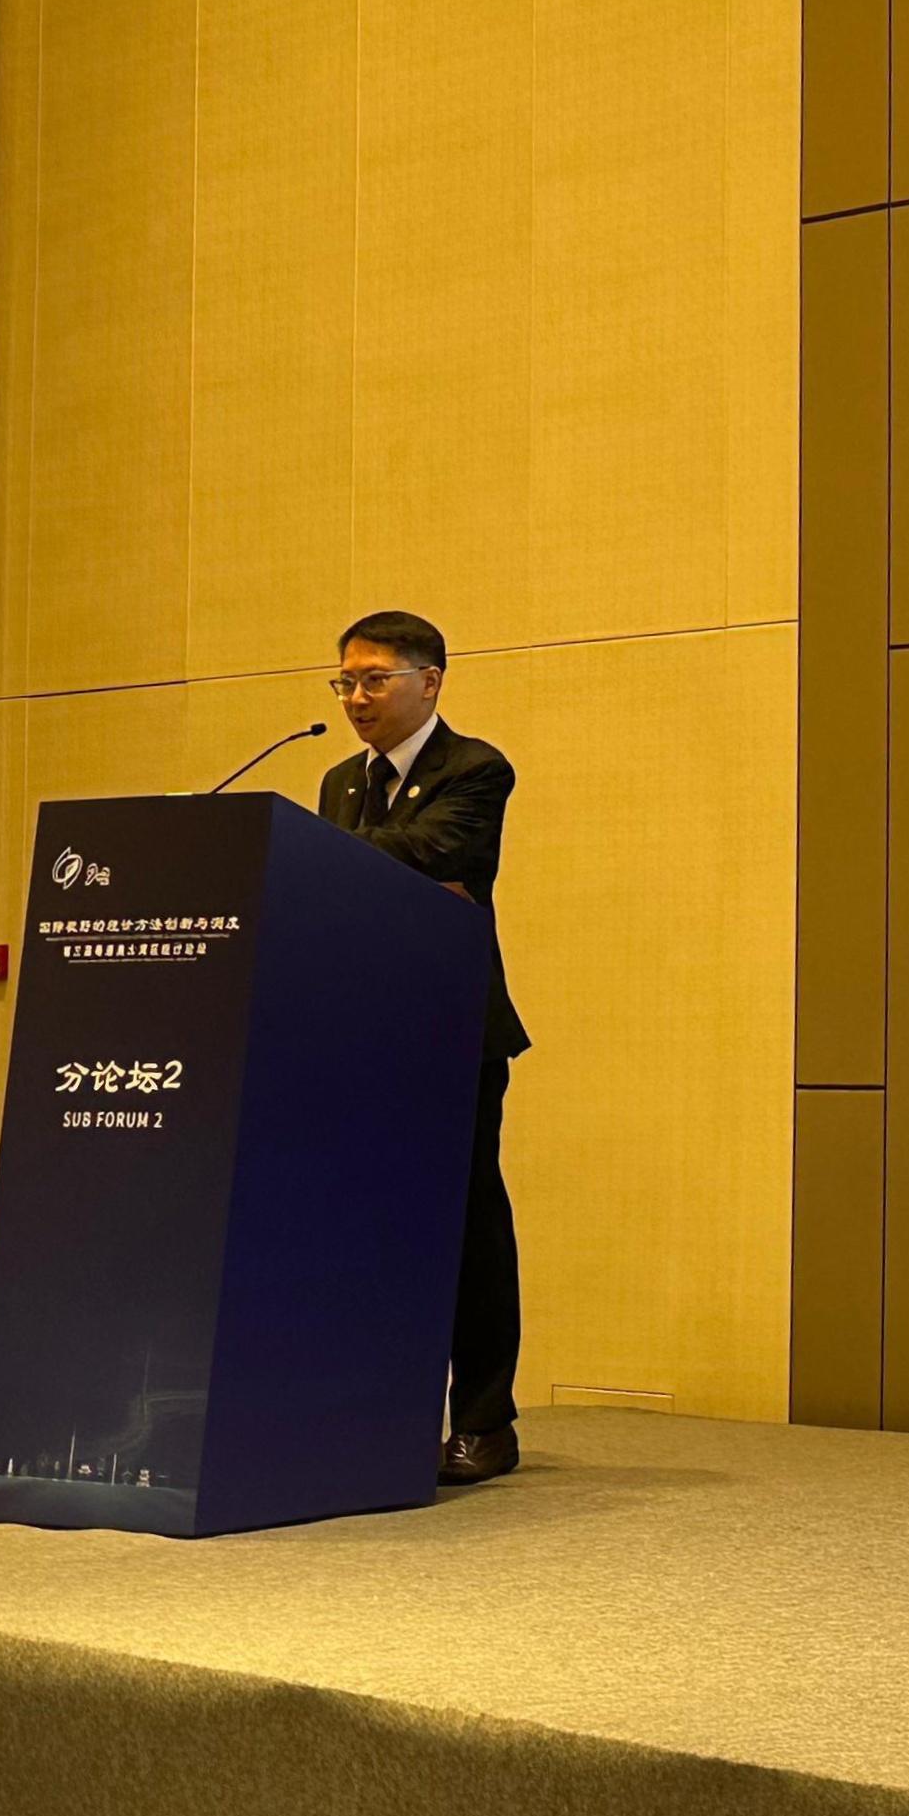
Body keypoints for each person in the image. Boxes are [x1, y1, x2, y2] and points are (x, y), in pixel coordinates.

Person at [316, 610, 530, 1486]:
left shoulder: (476, 768)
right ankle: (376, 1409)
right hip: (363, 1035)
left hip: (453, 1035)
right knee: (369, 1224)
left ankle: (485, 1422)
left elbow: (438, 852)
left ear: (429, 682)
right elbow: (354, 877)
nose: (357, 699)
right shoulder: (337, 781)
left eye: (374, 680)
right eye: (346, 683)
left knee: (468, 1225)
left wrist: (340, 857)